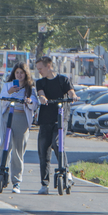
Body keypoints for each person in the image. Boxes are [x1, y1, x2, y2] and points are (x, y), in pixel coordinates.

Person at [35, 56, 79, 195]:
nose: (39, 71)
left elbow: (71, 91)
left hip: (61, 119)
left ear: (49, 66)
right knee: (43, 152)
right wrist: (42, 98)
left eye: (41, 68)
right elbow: (41, 93)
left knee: (57, 144)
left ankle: (66, 172)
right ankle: (44, 184)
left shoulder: (63, 80)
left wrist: (73, 96)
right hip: (45, 120)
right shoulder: (40, 82)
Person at [0, 63, 38, 193]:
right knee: (4, 147)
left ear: (26, 74)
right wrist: (9, 93)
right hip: (7, 118)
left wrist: (30, 101)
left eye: (22, 73)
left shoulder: (30, 88)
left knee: (18, 151)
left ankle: (16, 181)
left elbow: (35, 104)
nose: (19, 75)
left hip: (21, 119)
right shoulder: (8, 86)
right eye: (17, 73)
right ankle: (2, 170)